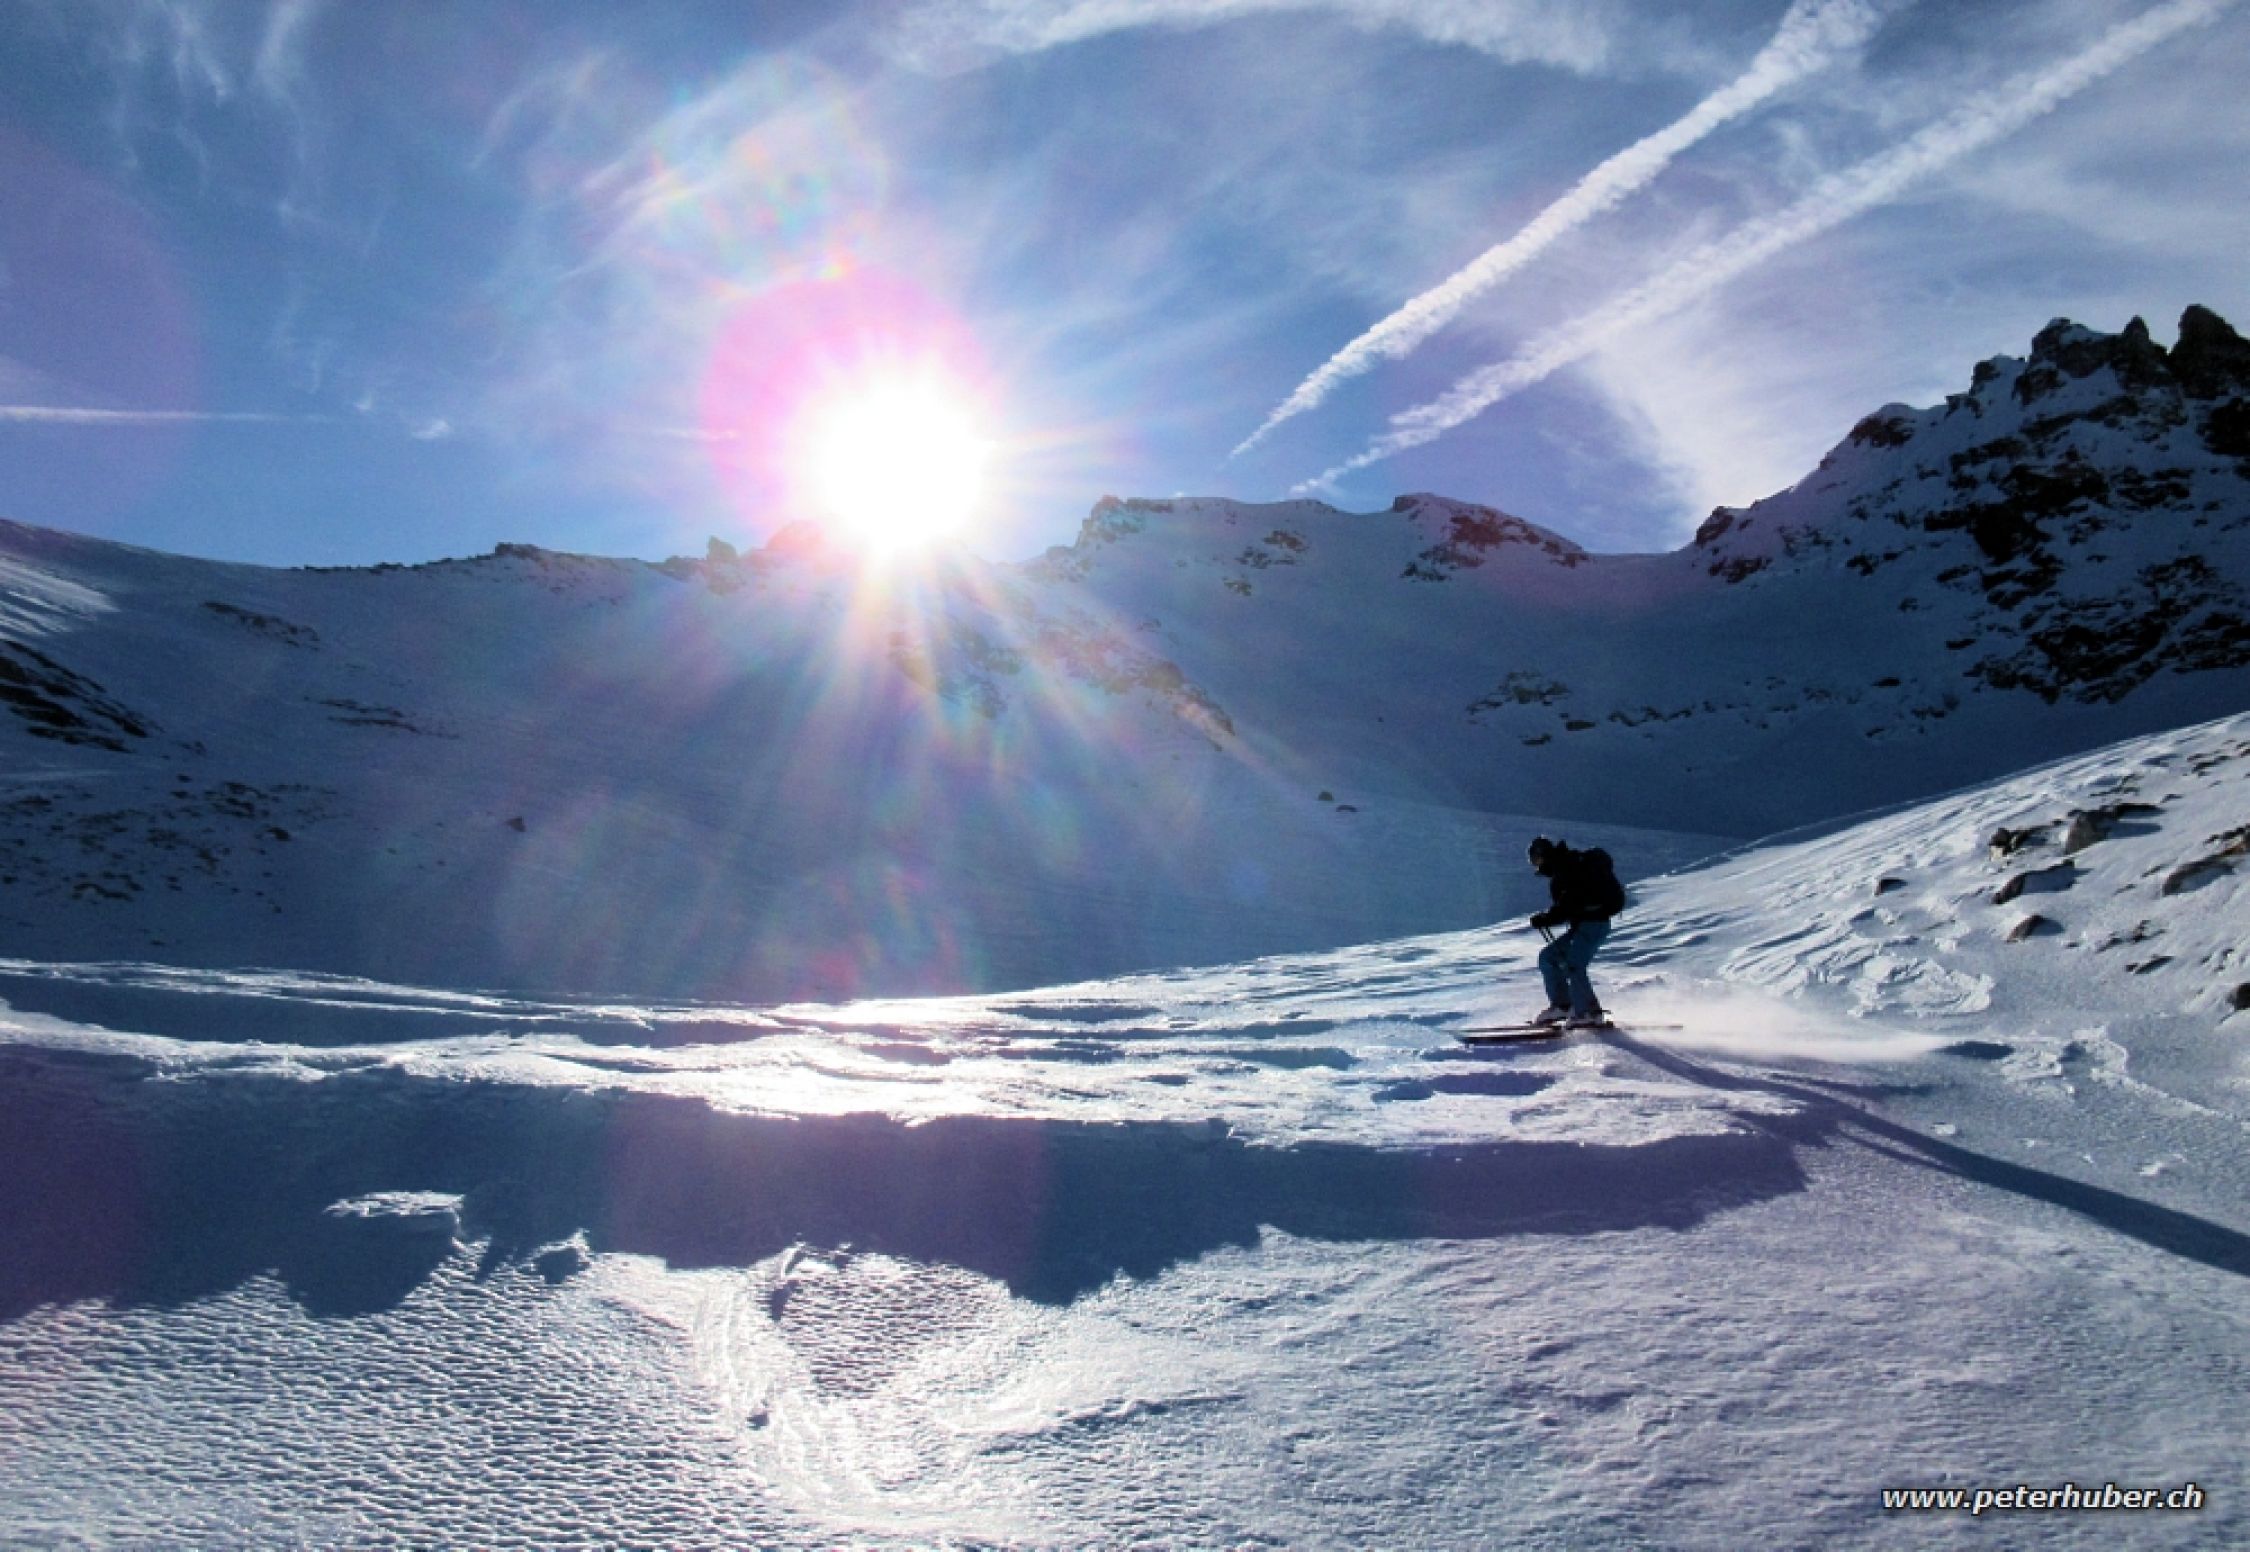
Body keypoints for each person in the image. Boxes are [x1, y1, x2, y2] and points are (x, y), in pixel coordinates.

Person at [1525, 836, 1624, 1027]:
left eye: (1536, 860)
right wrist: (1548, 917)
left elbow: (1571, 903)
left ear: (1543, 855)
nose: (1536, 865)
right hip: (1583, 925)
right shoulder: (1562, 869)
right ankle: (1563, 1006)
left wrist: (1547, 918)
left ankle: (1588, 1011)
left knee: (1574, 965)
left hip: (1595, 924)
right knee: (1548, 958)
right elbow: (1570, 904)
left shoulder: (1567, 867)